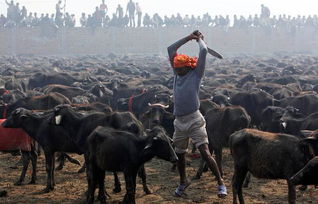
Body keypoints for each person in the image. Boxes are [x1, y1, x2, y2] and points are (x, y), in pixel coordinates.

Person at [167, 31, 227, 198]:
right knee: (179, 154)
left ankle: (221, 182)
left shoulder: (196, 75)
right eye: (176, 69)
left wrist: (200, 40)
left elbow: (203, 52)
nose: (177, 72)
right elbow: (171, 48)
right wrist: (189, 38)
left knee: (205, 152)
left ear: (188, 67)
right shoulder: (176, 74)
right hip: (179, 121)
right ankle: (183, 181)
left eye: (180, 69)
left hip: (194, 119)